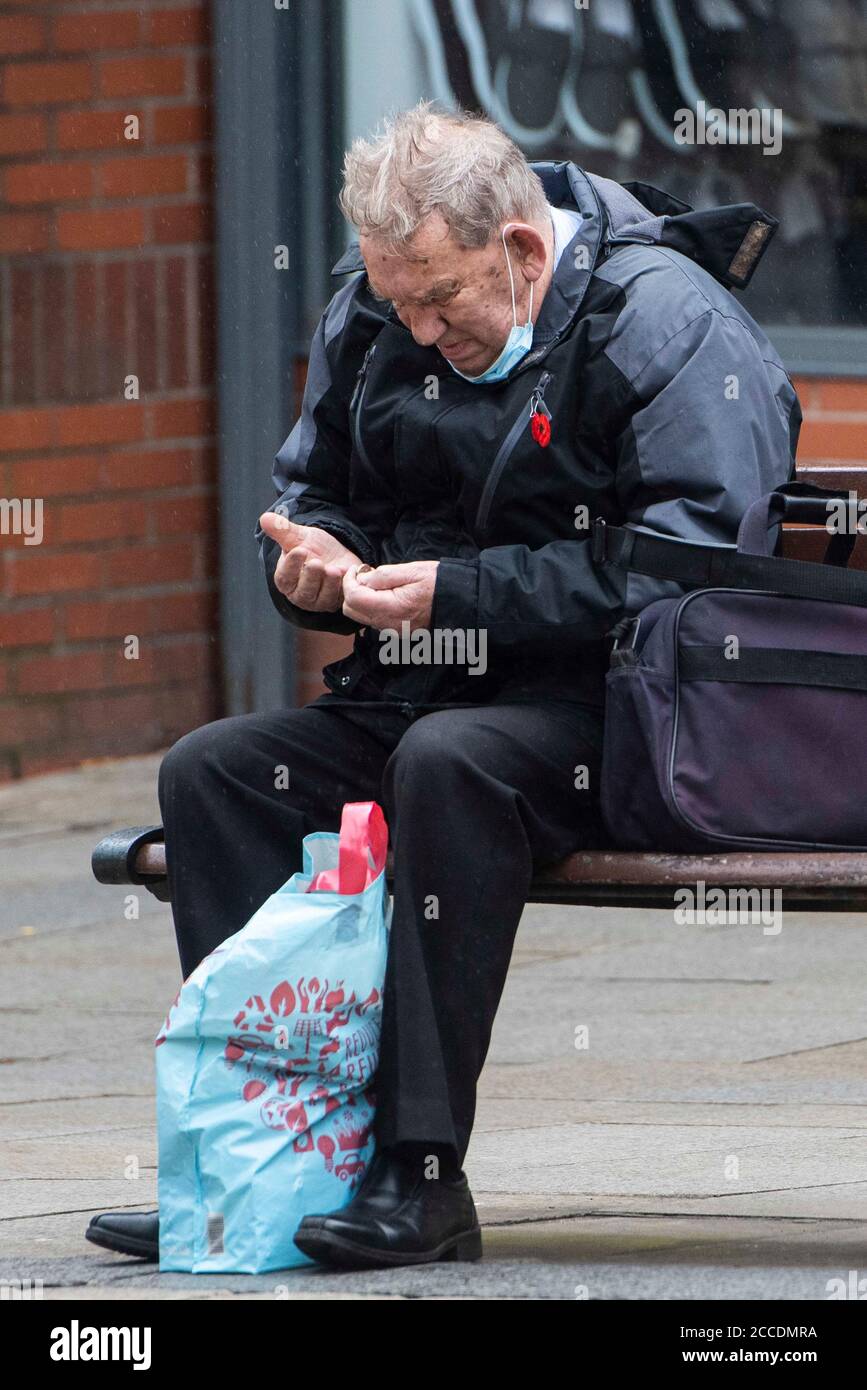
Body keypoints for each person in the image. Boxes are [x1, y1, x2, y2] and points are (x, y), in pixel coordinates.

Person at [86, 100, 799, 1270]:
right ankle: (259, 1163)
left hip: (613, 714)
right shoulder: (378, 300)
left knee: (450, 766)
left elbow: (690, 570)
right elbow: (311, 490)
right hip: (409, 687)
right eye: (397, 300)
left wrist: (461, 596)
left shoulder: (666, 319)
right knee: (214, 773)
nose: (415, 329)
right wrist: (308, 563)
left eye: (440, 299)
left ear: (521, 250)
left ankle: (418, 1178)